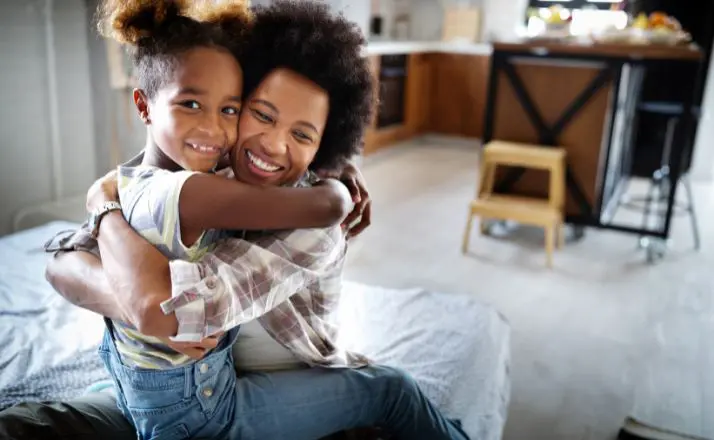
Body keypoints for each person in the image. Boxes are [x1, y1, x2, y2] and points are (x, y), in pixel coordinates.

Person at [0, 1, 470, 439]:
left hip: (254, 390)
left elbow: (175, 309)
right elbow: (63, 260)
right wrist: (111, 231)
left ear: (324, 146)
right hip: (196, 382)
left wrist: (109, 210)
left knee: (390, 388)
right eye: (259, 115)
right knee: (37, 423)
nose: (272, 145)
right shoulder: (207, 170)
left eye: (302, 135)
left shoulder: (310, 228)